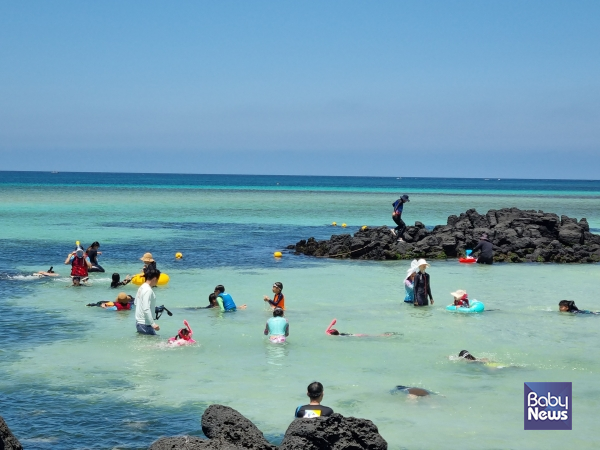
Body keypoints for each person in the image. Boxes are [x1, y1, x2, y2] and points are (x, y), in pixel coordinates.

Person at [134, 268, 161, 335]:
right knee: (155, 344)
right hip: (146, 324)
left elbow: (136, 302)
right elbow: (146, 308)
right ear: (154, 279)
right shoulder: (148, 290)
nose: (157, 281)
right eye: (158, 279)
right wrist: (153, 324)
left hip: (139, 323)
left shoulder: (141, 287)